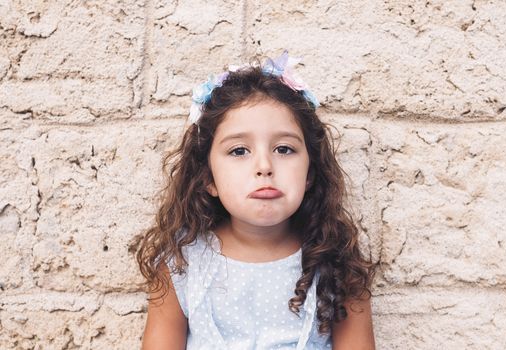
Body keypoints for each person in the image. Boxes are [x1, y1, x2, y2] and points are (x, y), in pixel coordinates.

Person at [136, 51, 375, 349]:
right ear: (207, 178)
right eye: (239, 151)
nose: (265, 166)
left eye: (284, 149)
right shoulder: (181, 266)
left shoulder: (336, 263)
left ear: (310, 172)